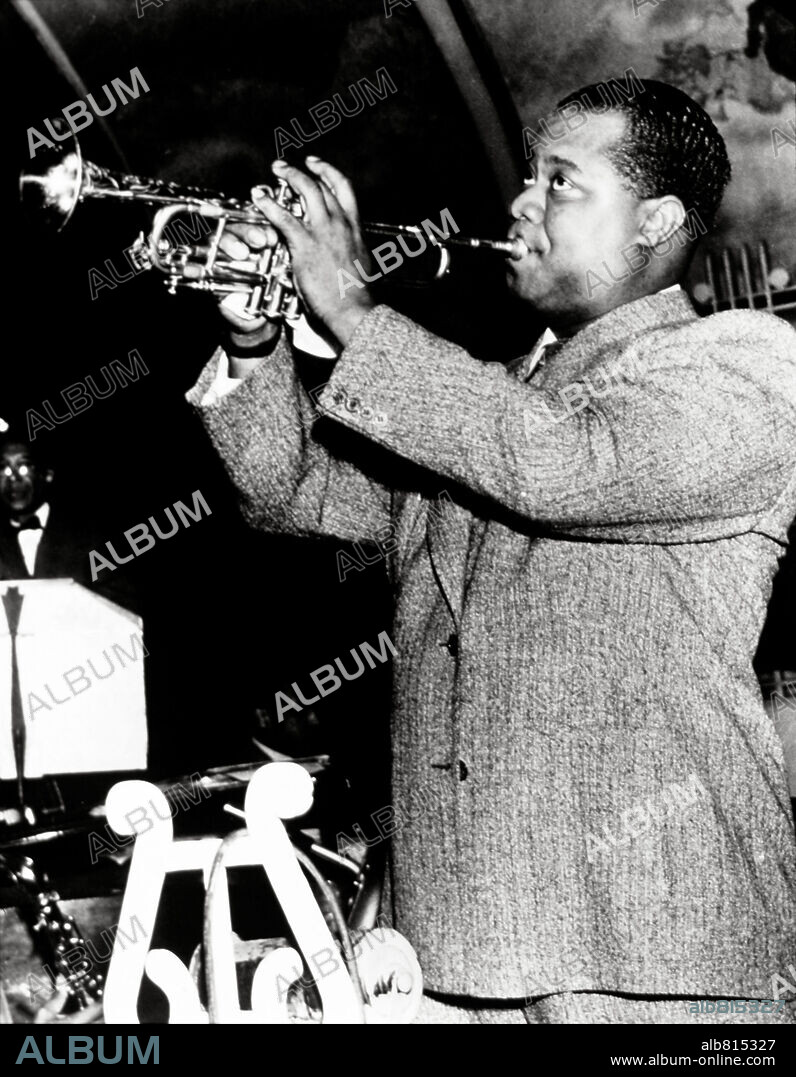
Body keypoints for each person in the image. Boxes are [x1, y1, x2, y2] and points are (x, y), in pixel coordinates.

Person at [187, 78, 796, 1023]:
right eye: (526, 174)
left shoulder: (746, 363)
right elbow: (292, 489)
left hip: (651, 952)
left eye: (561, 182)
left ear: (657, 220)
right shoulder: (487, 404)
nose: (520, 201)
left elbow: (558, 464)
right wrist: (254, 340)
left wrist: (350, 308)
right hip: (460, 945)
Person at [0, 433, 138, 612]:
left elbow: (124, 604)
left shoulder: (91, 534)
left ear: (47, 474)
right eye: (3, 469)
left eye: (24, 467)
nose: (13, 478)